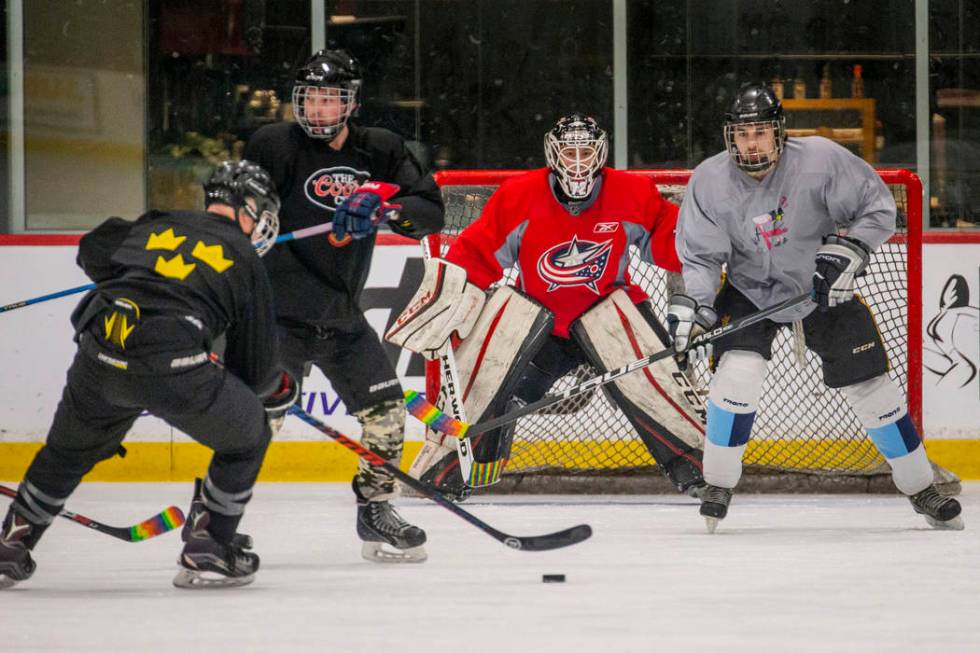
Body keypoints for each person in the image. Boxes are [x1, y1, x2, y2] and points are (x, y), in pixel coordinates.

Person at [669, 82, 963, 532]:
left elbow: (878, 210)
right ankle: (718, 484)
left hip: (822, 286)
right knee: (737, 376)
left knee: (872, 388)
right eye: (743, 134)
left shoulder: (822, 160)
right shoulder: (709, 180)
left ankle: (921, 486)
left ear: (779, 132)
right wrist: (698, 309)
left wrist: (850, 251)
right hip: (750, 289)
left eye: (761, 133)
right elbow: (703, 258)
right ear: (730, 137)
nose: (752, 143)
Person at [0, 160, 298, 590]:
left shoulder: (161, 221)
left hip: (100, 349)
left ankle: (12, 544)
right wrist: (276, 389)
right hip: (171, 361)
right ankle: (209, 544)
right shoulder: (246, 258)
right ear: (249, 207)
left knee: (67, 451)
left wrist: (135, 275)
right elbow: (254, 370)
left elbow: (93, 247)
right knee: (249, 434)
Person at [386, 113, 707, 501]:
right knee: (489, 380)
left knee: (654, 382)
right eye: (569, 151)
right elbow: (476, 255)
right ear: (552, 154)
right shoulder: (520, 195)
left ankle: (698, 462)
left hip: (609, 318)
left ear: (601, 153)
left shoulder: (631, 192)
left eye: (586, 151)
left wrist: (714, 248)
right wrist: (446, 297)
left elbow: (671, 246)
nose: (577, 160)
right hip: (541, 327)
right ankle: (453, 465)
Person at [243, 49, 444, 563]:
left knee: (388, 415)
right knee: (255, 422)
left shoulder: (379, 149)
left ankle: (375, 509)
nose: (317, 109)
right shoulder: (273, 144)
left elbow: (428, 209)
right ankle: (216, 518)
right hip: (278, 315)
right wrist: (254, 223)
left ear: (350, 104)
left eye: (329, 98)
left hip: (340, 315)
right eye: (309, 98)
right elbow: (240, 201)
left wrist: (387, 208)